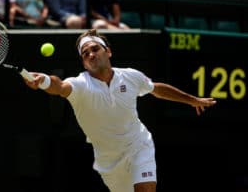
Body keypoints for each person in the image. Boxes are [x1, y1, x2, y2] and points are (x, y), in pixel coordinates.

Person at [23, 29, 217, 192]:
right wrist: (44, 81)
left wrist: (192, 100)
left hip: (138, 145)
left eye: (95, 49)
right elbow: (59, 87)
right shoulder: (80, 85)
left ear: (108, 52)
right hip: (109, 162)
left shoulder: (131, 76)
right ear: (84, 63)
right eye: (85, 53)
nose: (91, 54)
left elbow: (156, 89)